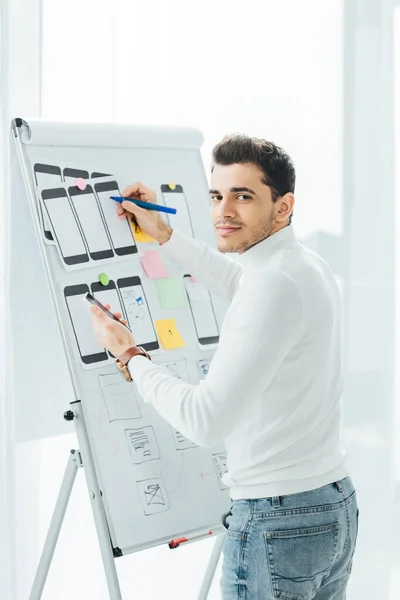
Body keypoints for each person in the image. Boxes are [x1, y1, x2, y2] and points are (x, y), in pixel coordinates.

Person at [90, 134, 359, 599]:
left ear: (283, 205)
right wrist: (165, 235)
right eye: (217, 195)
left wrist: (131, 357)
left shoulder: (273, 285)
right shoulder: (302, 266)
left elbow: (205, 419)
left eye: (243, 196)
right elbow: (238, 280)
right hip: (330, 505)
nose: (223, 211)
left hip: (279, 519)